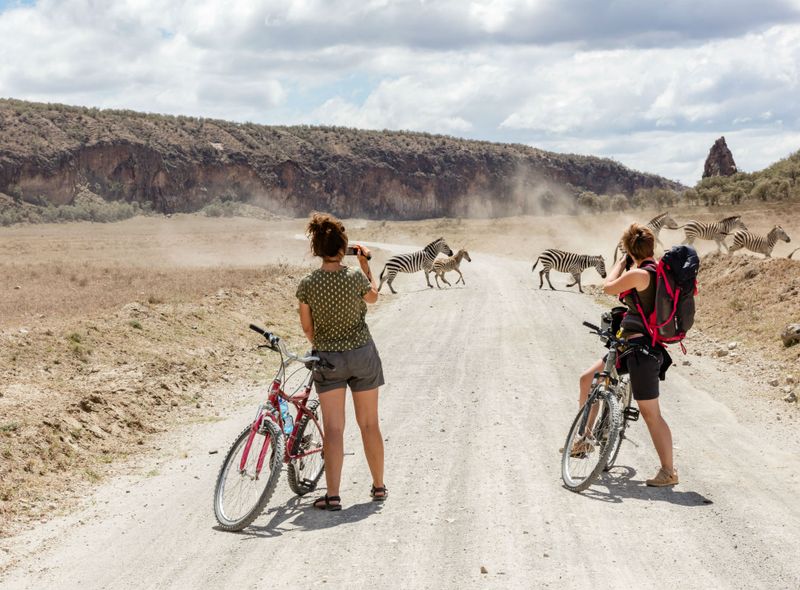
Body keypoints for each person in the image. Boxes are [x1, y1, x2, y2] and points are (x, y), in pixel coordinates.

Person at [296, 212, 387, 510]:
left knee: (334, 429)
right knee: (369, 423)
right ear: (342, 247)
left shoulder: (308, 284)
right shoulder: (354, 277)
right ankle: (378, 487)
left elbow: (307, 328)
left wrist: (324, 345)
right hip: (362, 355)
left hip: (328, 360)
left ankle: (333, 495)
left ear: (317, 249)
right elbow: (373, 298)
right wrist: (365, 266)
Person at [576, 223, 677, 487]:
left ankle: (668, 471)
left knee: (651, 414)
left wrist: (622, 263)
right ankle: (585, 439)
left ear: (631, 250)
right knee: (588, 379)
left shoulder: (642, 274)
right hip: (626, 347)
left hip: (642, 351)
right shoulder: (653, 270)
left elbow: (607, 287)